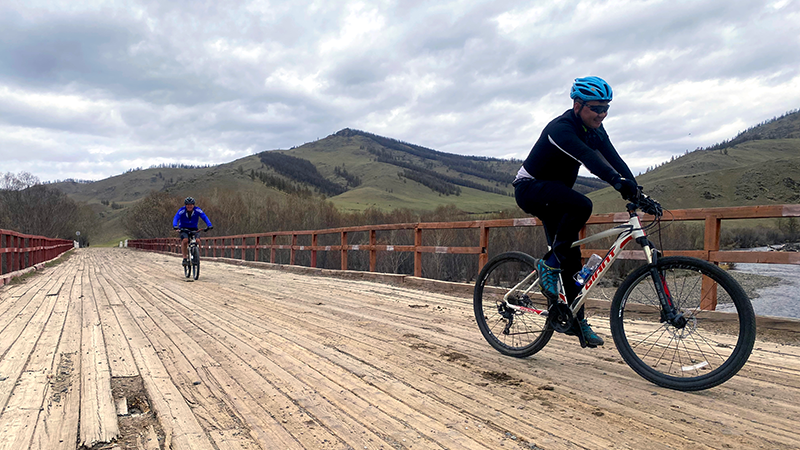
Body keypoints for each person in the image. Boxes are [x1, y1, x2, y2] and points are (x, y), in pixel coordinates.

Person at [513, 76, 640, 347]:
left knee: (572, 262)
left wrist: (638, 190)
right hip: (530, 189)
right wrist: (616, 182)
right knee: (582, 205)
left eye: (606, 108)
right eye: (596, 108)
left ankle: (575, 320)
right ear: (577, 104)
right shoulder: (561, 129)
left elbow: (613, 158)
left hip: (556, 198)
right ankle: (549, 263)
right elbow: (590, 158)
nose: (602, 114)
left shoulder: (596, 129)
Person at [172, 197, 213, 266]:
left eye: (191, 205)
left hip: (194, 228)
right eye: (187, 205)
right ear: (185, 205)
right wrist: (175, 225)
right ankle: (185, 258)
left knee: (198, 240)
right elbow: (176, 217)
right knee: (185, 240)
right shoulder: (182, 210)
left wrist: (209, 225)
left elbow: (204, 217)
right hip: (183, 228)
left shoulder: (197, 210)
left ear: (193, 205)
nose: (189, 206)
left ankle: (197, 255)